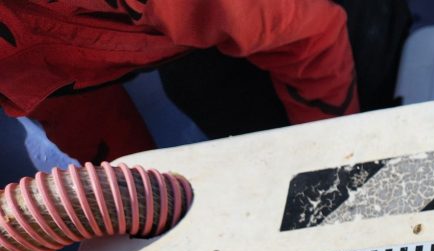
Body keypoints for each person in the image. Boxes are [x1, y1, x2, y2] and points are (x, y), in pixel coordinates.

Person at [0, 0, 408, 163]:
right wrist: (142, 202)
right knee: (200, 90)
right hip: (201, 31)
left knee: (361, 97)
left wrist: (326, 161)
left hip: (310, 19)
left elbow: (311, 34)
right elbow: (71, 99)